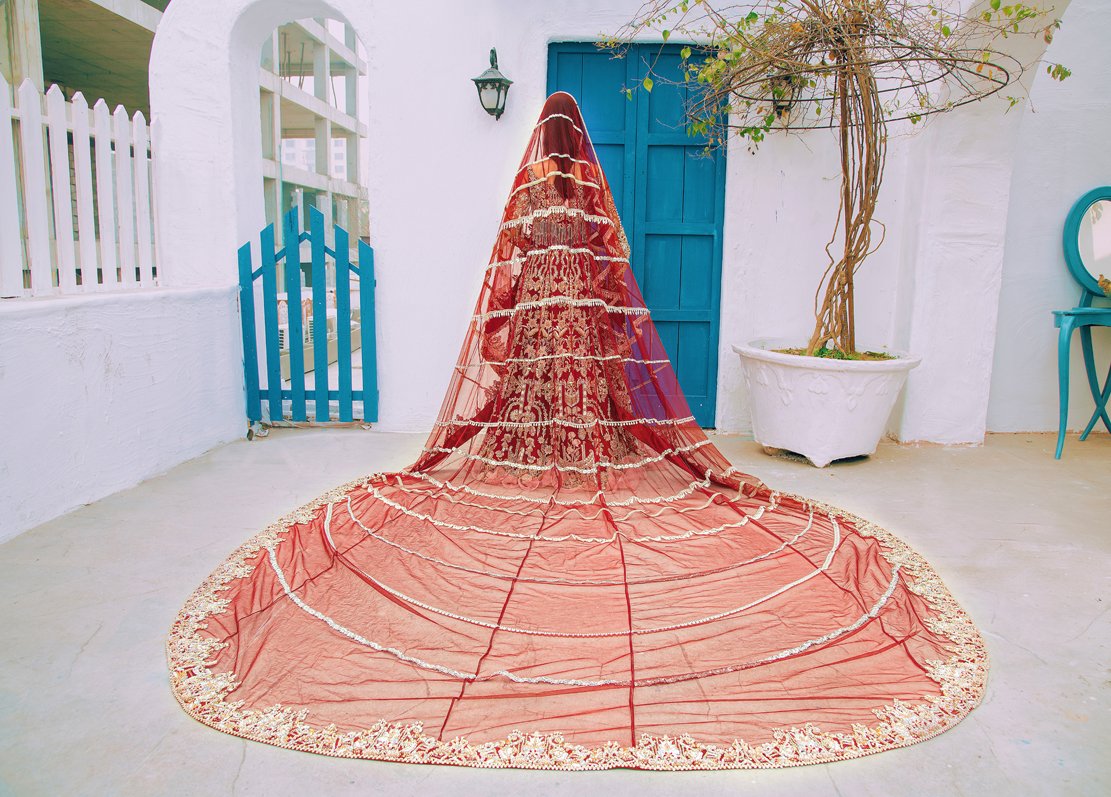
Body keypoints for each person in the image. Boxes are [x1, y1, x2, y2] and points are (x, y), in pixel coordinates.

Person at [168, 92, 986, 770]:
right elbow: (613, 260)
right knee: (580, 398)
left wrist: (535, 301)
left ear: (540, 141)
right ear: (576, 144)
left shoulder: (527, 196)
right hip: (572, 318)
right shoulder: (587, 194)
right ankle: (581, 446)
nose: (561, 150)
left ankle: (534, 448)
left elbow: (509, 265)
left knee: (536, 396)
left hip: (538, 317)